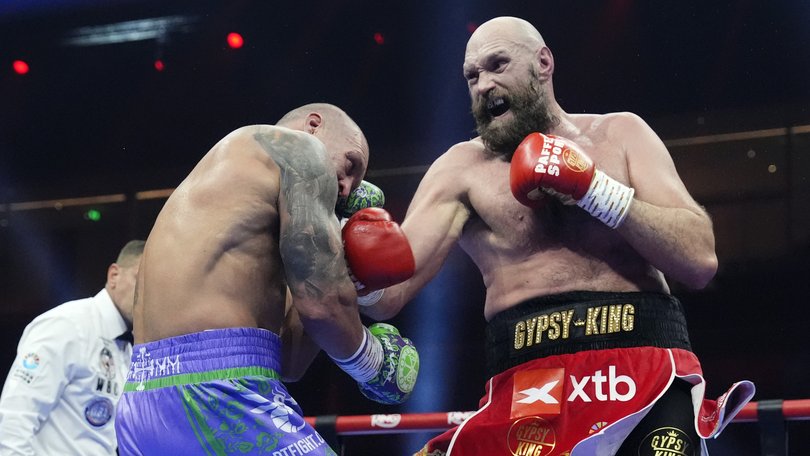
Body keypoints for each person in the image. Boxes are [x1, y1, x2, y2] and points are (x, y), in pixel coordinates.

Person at [359, 17, 754, 456]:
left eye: (497, 65)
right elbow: (386, 295)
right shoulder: (459, 170)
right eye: (472, 75)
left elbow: (699, 261)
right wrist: (354, 258)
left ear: (543, 63)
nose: (483, 84)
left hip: (641, 370)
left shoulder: (620, 134)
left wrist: (594, 191)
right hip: (528, 385)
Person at [114, 103, 419, 455]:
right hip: (217, 394)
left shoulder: (232, 199)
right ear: (314, 125)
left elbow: (290, 362)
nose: (348, 188)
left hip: (142, 405)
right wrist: (373, 362)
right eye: (350, 165)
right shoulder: (298, 148)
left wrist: (342, 257)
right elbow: (323, 306)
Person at [0, 240, 144, 456]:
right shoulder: (67, 325)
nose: (146, 294)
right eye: (140, 280)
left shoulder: (127, 348)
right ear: (114, 275)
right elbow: (15, 417)